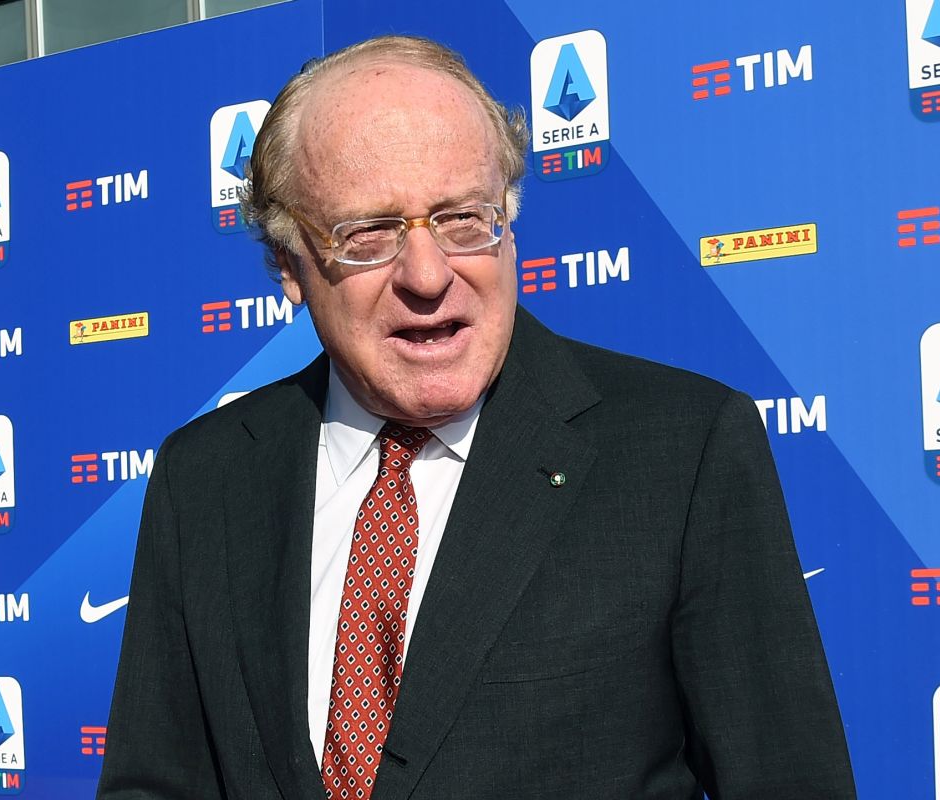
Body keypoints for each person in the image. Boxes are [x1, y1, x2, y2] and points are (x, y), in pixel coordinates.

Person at [97, 34, 856, 800]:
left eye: (463, 218)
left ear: (510, 227)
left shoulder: (684, 450)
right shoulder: (205, 477)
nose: (429, 276)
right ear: (292, 266)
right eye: (369, 233)